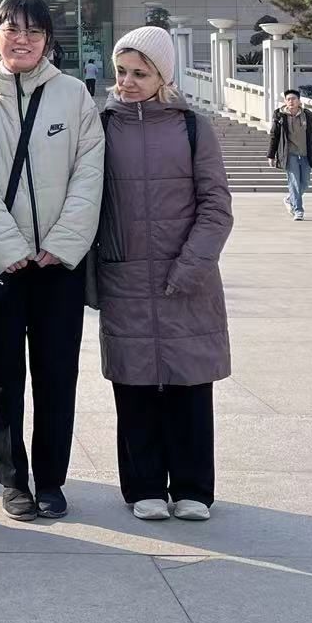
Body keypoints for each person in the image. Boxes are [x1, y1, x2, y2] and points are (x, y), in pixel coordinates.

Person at [0, 0, 104, 521]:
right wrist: (8, 249)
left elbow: (89, 174)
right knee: (1, 377)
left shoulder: (73, 95)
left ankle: (52, 479)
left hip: (58, 265)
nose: (22, 40)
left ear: (48, 39)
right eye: (12, 29)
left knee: (56, 374)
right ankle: (13, 479)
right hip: (1, 264)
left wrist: (61, 245)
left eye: (34, 31)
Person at [96, 26, 232, 523]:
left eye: (140, 73)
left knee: (189, 386)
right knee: (132, 386)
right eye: (121, 72)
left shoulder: (193, 127)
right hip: (126, 277)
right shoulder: (102, 126)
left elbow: (216, 205)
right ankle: (144, 486)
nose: (127, 82)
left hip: (187, 279)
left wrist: (192, 266)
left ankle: (194, 487)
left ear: (163, 77)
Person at [267, 89, 312, 220]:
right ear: (285, 102)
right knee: (294, 182)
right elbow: (274, 136)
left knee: (305, 183)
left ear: (299, 101)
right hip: (290, 154)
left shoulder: (306, 116)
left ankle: (290, 199)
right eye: (288, 99)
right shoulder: (280, 117)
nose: (291, 101)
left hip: (305, 154)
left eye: (294, 99)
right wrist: (271, 155)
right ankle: (298, 210)